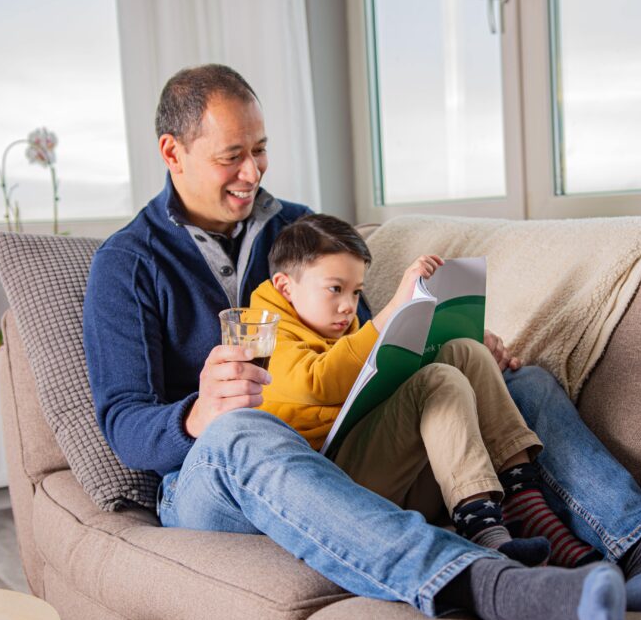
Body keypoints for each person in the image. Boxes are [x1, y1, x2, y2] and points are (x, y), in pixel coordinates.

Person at [83, 64, 641, 620]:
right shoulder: (127, 265)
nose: (253, 173)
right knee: (246, 435)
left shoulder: (293, 227)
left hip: (333, 446)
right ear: (172, 153)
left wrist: (447, 330)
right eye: (231, 157)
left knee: (520, 378)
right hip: (213, 480)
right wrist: (193, 413)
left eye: (260, 150)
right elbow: (122, 423)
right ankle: (500, 586)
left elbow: (369, 338)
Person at [249, 213, 599, 568]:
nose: (348, 305)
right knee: (438, 380)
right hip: (339, 490)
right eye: (335, 289)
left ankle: (525, 502)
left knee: (465, 351)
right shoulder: (264, 333)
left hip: (402, 473)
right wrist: (395, 310)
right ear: (284, 287)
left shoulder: (333, 320)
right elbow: (319, 382)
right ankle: (485, 531)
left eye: (356, 292)